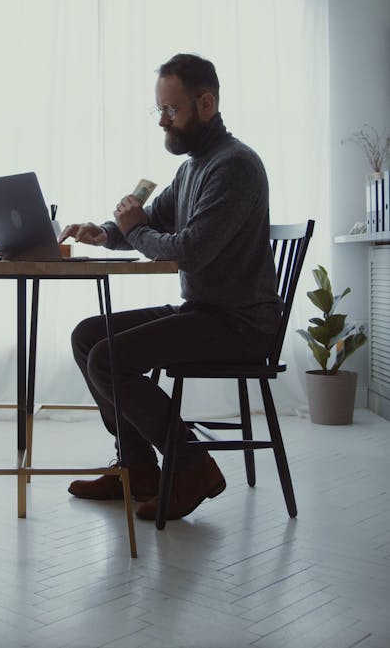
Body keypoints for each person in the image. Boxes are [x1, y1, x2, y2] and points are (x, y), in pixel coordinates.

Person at [59, 53, 282, 521]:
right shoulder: (193, 167)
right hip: (204, 310)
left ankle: (191, 465)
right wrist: (105, 232)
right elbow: (152, 222)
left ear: (206, 103)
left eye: (171, 110)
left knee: (108, 358)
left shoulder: (234, 166)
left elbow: (187, 250)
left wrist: (136, 230)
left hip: (239, 322)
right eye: (158, 110)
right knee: (87, 336)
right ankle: (138, 467)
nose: (162, 120)